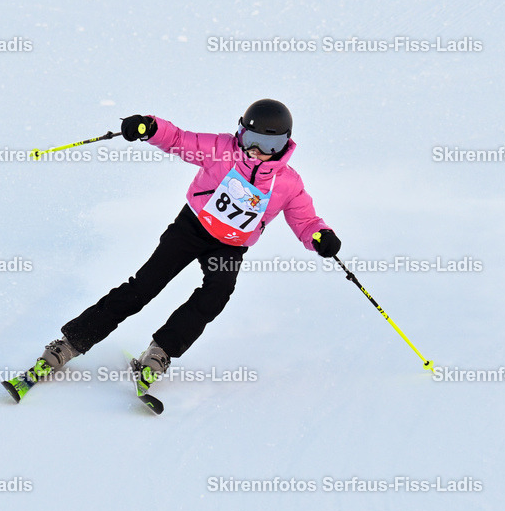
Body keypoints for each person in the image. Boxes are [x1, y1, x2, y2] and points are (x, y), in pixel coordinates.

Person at [36, 99, 341, 396]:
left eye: (269, 145)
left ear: (285, 146)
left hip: (230, 246)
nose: (257, 151)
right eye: (251, 139)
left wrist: (320, 236)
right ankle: (70, 343)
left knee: (215, 297)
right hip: (191, 228)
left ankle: (161, 351)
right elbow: (179, 139)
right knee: (144, 286)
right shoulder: (221, 150)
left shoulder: (288, 183)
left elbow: (306, 220)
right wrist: (149, 127)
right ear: (240, 133)